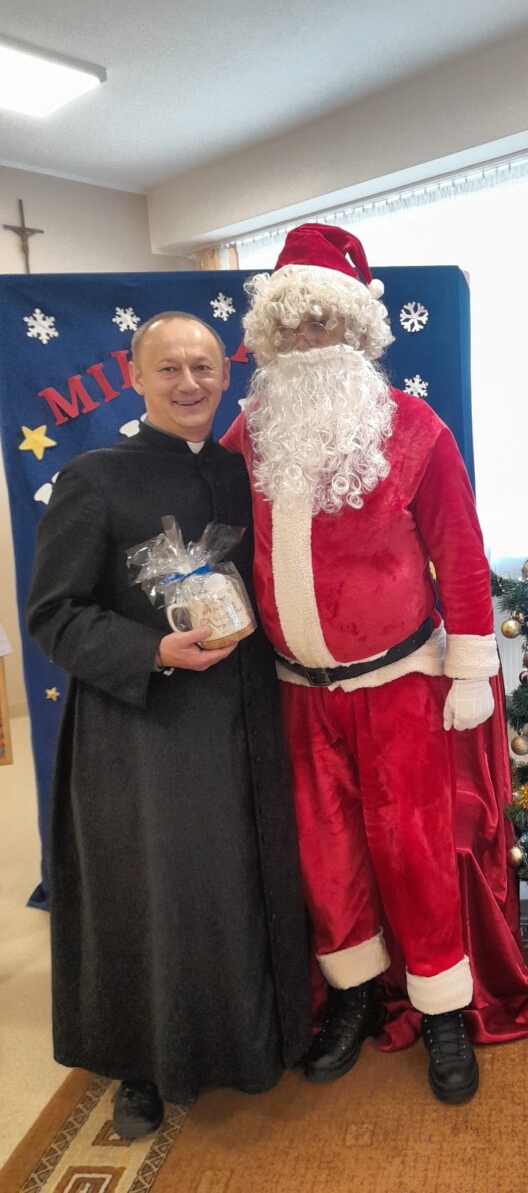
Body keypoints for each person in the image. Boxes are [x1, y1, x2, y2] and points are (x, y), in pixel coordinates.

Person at [223, 224, 528, 1106]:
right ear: (271, 336)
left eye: (324, 322)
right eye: (292, 325)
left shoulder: (412, 428)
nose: (308, 340)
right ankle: (354, 995)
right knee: (324, 855)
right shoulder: (252, 434)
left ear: (358, 331)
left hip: (399, 687)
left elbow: (463, 553)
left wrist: (471, 669)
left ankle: (442, 1006)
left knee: (414, 851)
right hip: (296, 694)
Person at [27, 311, 310, 1139]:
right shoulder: (93, 478)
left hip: (251, 716)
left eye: (204, 366)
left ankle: (262, 1038)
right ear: (134, 375)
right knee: (155, 900)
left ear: (227, 374)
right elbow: (54, 614)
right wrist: (153, 649)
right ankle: (142, 1064)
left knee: (246, 885)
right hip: (144, 733)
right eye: (170, 368)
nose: (190, 383)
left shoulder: (244, 473)